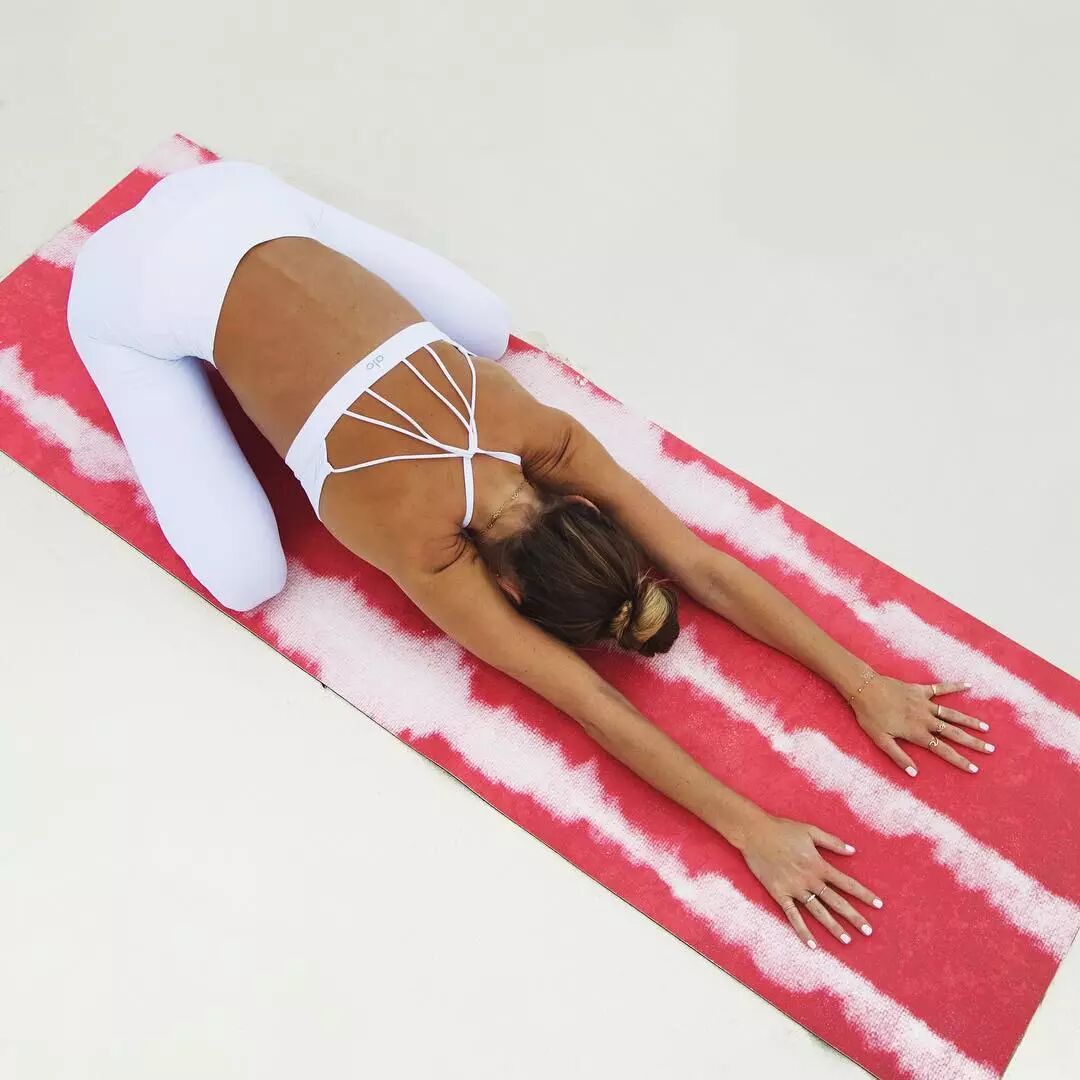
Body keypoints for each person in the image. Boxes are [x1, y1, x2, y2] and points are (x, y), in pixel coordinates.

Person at [66, 160, 995, 949]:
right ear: (511, 585)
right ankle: (118, 320)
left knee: (485, 326)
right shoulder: (426, 542)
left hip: (239, 197)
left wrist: (865, 683)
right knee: (246, 577)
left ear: (580, 513)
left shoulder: (538, 433)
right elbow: (590, 700)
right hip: (129, 279)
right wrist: (746, 826)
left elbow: (694, 577)